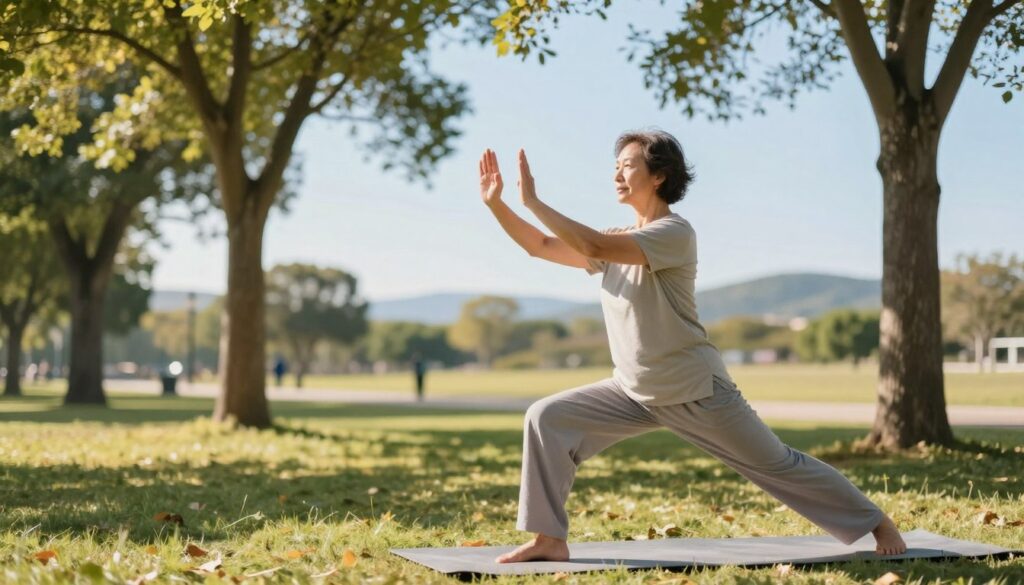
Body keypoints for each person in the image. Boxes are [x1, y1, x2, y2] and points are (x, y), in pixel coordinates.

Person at [477, 130, 907, 564]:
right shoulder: (615, 239)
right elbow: (541, 246)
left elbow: (591, 244)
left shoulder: (673, 232)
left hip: (694, 388)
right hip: (633, 390)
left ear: (659, 176)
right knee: (546, 417)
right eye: (615, 167)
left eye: (628, 166)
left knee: (776, 464)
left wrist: (533, 202)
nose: (617, 175)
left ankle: (876, 521)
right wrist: (498, 205)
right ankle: (549, 538)